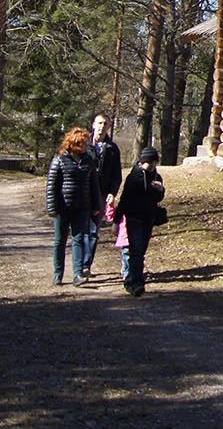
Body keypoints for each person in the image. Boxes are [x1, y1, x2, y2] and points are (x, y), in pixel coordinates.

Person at [45, 127, 102, 287]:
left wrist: (96, 205)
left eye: (85, 143)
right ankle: (58, 274)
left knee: (78, 240)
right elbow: (52, 187)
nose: (84, 146)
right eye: (81, 143)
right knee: (59, 241)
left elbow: (94, 185)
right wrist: (52, 209)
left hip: (82, 207)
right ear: (73, 144)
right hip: (63, 208)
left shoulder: (88, 161)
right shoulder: (59, 160)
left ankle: (78, 274)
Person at [115, 146, 165, 296]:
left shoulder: (157, 177)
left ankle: (131, 278)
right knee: (136, 250)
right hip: (133, 218)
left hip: (148, 218)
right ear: (144, 161)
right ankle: (136, 283)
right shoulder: (134, 177)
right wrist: (116, 221)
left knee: (141, 250)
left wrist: (160, 191)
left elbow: (158, 198)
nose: (153, 166)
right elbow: (124, 200)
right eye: (151, 162)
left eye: (155, 163)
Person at [81, 113, 122, 279]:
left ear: (108, 127)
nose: (101, 126)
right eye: (99, 123)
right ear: (93, 124)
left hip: (101, 194)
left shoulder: (112, 149)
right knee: (80, 230)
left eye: (105, 124)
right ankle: (78, 265)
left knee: (92, 231)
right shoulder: (84, 145)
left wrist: (112, 193)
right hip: (82, 194)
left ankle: (85, 265)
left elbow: (116, 175)